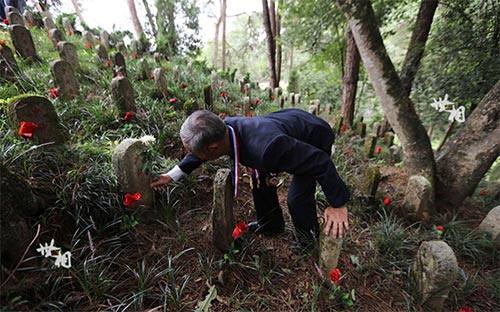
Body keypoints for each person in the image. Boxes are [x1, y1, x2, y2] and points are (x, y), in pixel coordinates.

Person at [150, 109, 351, 247]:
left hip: (313, 136)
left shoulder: (266, 149)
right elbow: (197, 152)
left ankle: (308, 241)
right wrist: (171, 175)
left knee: (297, 199)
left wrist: (338, 203)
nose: (194, 155)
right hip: (286, 124)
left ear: (213, 149)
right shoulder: (222, 129)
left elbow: (319, 161)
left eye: (195, 152)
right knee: (260, 180)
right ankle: (271, 224)